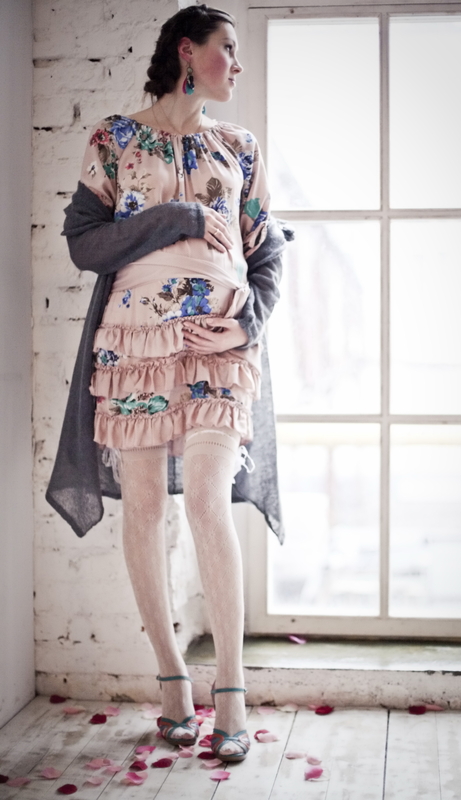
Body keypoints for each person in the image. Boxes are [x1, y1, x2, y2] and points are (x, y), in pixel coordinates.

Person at [45, 4, 293, 763]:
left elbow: (267, 255)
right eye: (227, 49)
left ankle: (231, 690)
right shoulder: (114, 139)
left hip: (218, 349)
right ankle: (171, 680)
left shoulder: (239, 146)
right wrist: (179, 216)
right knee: (147, 506)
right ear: (187, 51)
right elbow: (85, 244)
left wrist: (246, 322)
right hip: (136, 345)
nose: (236, 65)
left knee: (210, 501)